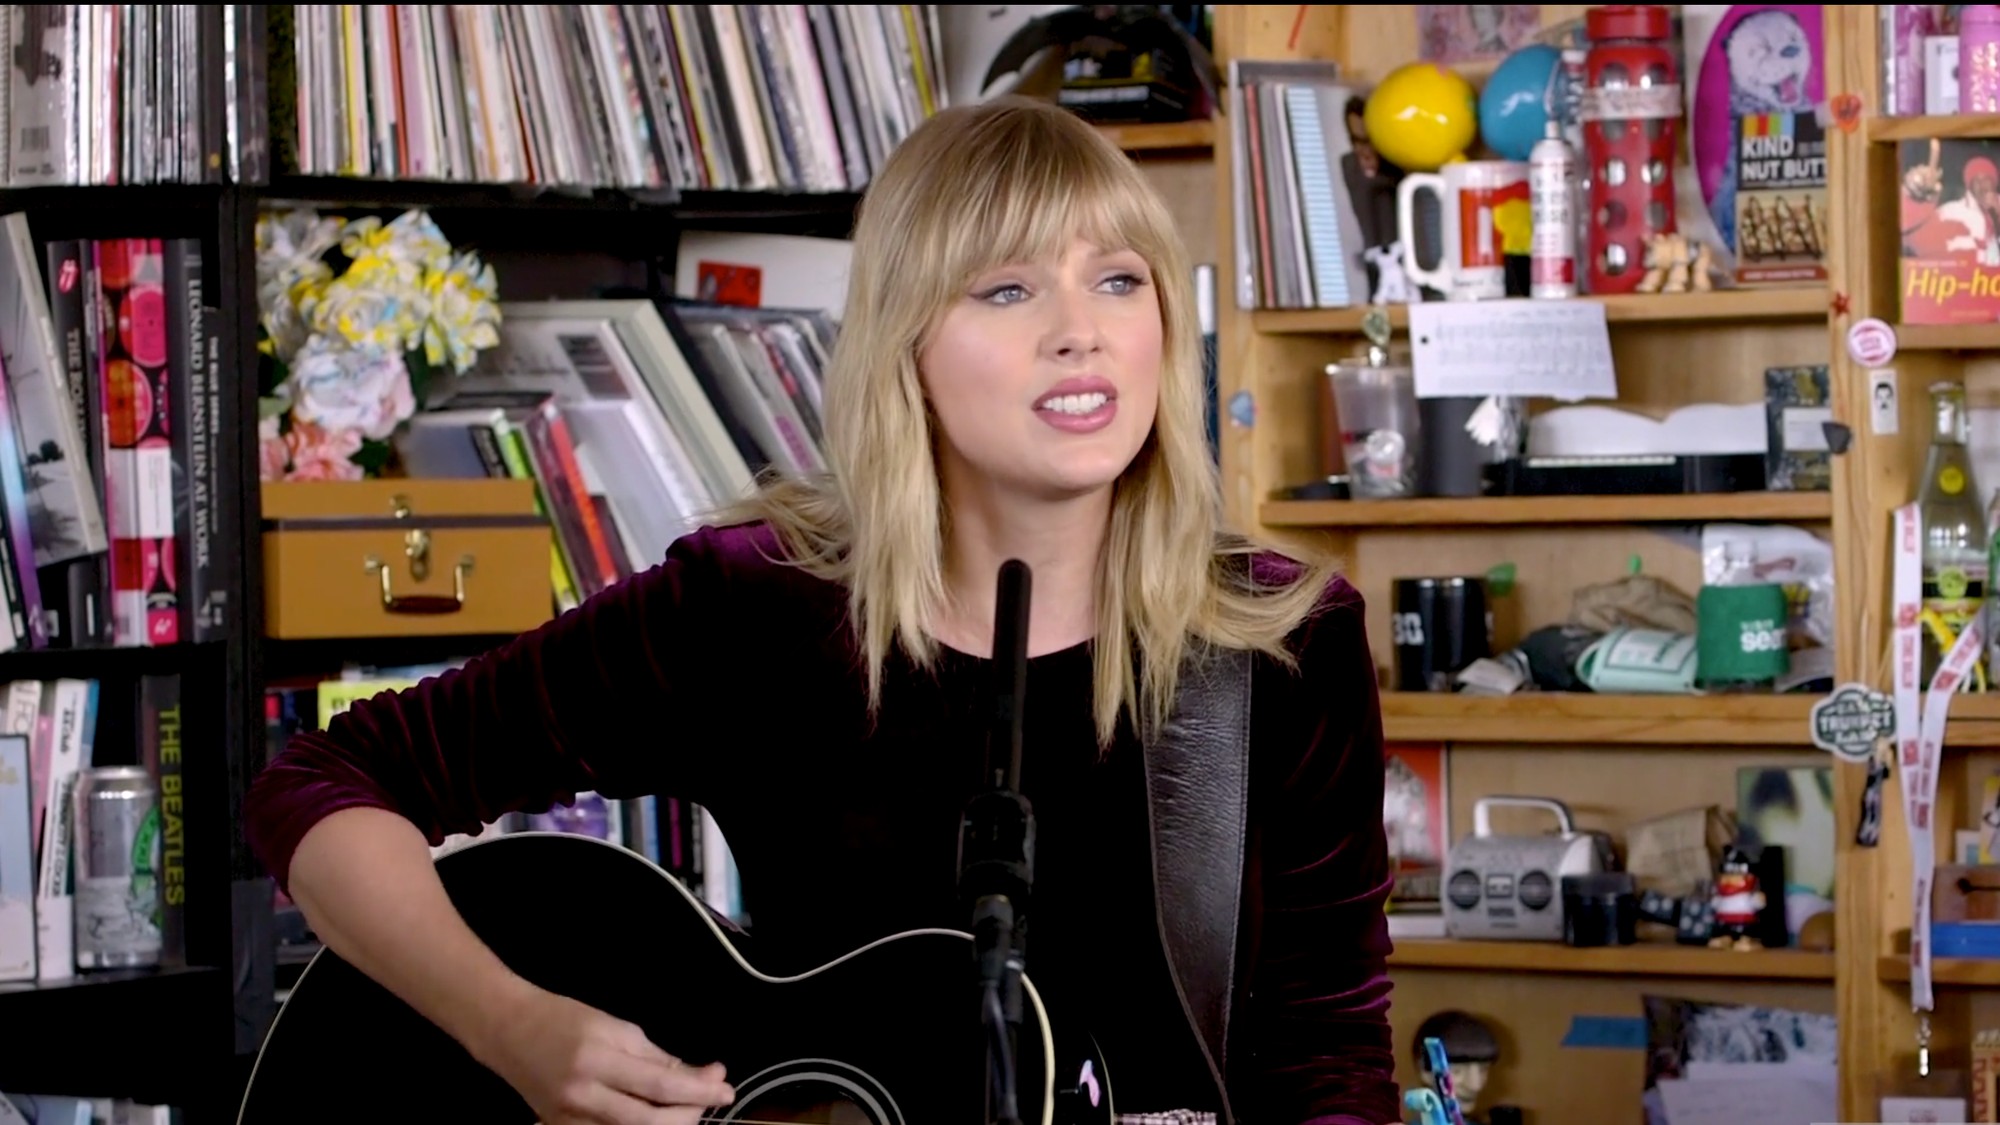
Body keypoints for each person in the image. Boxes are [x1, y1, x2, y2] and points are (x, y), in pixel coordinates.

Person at [245, 94, 1398, 1125]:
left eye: (1116, 279)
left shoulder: (1278, 642)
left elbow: (1327, 1053)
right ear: (905, 349)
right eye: (1006, 287)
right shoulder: (754, 607)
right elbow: (319, 787)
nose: (1078, 330)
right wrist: (512, 1029)